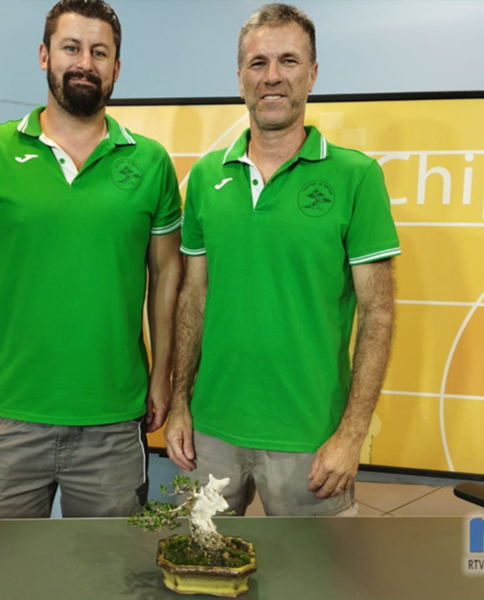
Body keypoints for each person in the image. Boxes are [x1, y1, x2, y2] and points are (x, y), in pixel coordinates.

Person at [0, 0, 182, 519]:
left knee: (106, 581)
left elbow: (167, 276)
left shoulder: (151, 162)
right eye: (72, 48)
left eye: (100, 52)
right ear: (45, 54)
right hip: (7, 416)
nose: (85, 63)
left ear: (117, 68)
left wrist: (163, 374)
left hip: (115, 422)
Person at [164, 4, 400, 517]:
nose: (272, 76)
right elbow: (193, 296)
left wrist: (352, 433)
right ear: (240, 76)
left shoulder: (356, 177)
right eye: (258, 63)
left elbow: (378, 311)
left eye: (289, 61)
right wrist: (180, 401)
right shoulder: (206, 177)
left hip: (310, 440)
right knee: (200, 578)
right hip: (212, 433)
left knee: (313, 585)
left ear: (312, 74)